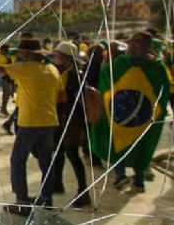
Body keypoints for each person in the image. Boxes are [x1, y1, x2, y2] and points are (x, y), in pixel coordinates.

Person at [0, 39, 65, 216]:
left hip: (30, 122)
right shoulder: (52, 69)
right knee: (46, 162)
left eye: (21, 51)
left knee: (18, 160)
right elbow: (62, 97)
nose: (20, 54)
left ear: (26, 53)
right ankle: (46, 198)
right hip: (50, 121)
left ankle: (22, 203)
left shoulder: (25, 67)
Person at [90, 31, 170, 193]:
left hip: (120, 115)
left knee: (117, 143)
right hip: (144, 118)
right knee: (141, 145)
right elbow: (163, 91)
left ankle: (121, 177)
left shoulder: (120, 63)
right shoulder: (157, 67)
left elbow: (106, 76)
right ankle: (139, 181)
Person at [50, 41, 91, 206]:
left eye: (57, 56)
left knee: (73, 154)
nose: (54, 58)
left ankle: (83, 191)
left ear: (66, 58)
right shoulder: (65, 72)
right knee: (59, 152)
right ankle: (58, 183)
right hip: (62, 118)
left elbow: (69, 98)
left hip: (71, 120)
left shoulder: (74, 75)